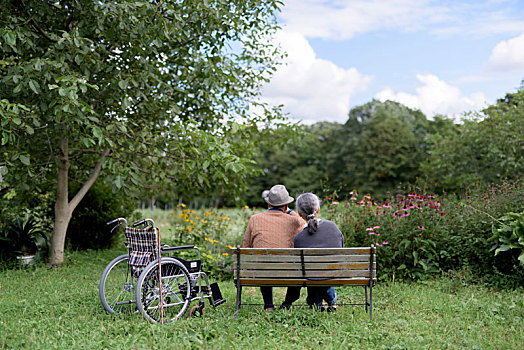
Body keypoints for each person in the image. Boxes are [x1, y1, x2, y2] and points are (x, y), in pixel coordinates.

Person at [243, 184, 304, 311]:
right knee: (298, 268)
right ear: (286, 206)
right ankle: (287, 303)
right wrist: (291, 212)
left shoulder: (254, 219)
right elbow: (304, 223)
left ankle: (269, 304)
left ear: (268, 204)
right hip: (288, 271)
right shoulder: (295, 221)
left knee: (264, 261)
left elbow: (246, 245)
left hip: (261, 271)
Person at [293, 192, 344, 311]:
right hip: (333, 272)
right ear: (318, 209)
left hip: (310, 275)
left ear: (300, 214)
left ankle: (315, 302)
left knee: (313, 269)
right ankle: (331, 300)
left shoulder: (299, 238)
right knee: (323, 268)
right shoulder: (332, 227)